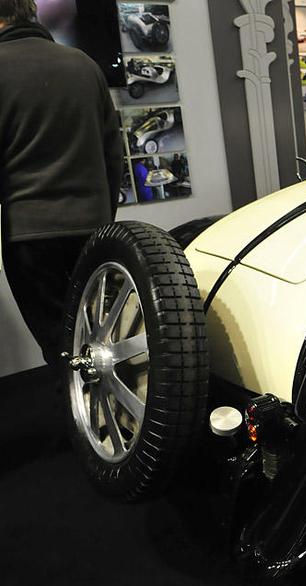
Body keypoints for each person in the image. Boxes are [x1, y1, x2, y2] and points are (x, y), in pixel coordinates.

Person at [0, 0, 123, 365]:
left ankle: (78, 402)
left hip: (29, 236)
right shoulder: (84, 64)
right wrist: (103, 218)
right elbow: (112, 154)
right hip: (92, 228)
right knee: (105, 339)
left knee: (61, 348)